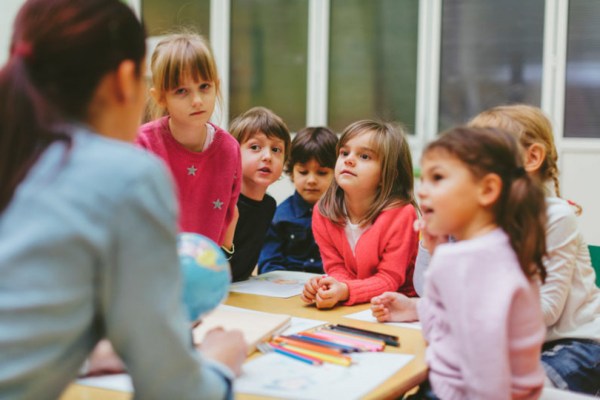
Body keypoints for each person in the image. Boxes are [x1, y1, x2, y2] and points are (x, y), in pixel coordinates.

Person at [0, 1, 246, 398]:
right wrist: (220, 362)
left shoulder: (20, 155)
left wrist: (82, 353)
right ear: (126, 79)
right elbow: (173, 391)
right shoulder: (125, 174)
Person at [374, 104, 600, 395]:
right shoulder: (477, 218)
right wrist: (434, 249)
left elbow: (545, 312)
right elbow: (431, 291)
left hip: (575, 344)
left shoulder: (555, 217)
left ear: (532, 157)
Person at [410, 126, 547, 399]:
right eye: (422, 179)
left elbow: (486, 364)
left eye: (437, 178)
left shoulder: (466, 261)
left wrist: (442, 262)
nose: (422, 191)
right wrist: (436, 254)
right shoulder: (504, 247)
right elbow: (441, 330)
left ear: (487, 189)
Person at [136, 33, 240, 251]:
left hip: (205, 276)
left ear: (216, 86)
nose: (197, 101)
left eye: (204, 86)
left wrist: (224, 259)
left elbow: (230, 214)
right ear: (160, 97)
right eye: (181, 91)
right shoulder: (142, 144)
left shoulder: (230, 149)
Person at [301, 120, 419, 309]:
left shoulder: (402, 214)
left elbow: (390, 279)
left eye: (364, 156)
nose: (348, 160)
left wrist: (345, 289)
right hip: (354, 307)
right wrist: (330, 286)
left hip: (397, 307)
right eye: (344, 153)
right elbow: (336, 268)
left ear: (387, 174)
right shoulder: (323, 212)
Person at [258, 126, 338, 274]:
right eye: (303, 172)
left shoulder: (345, 215)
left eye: (321, 173)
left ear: (336, 174)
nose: (311, 180)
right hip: (286, 290)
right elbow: (268, 264)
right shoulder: (279, 216)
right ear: (292, 172)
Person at [228, 106, 291, 282]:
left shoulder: (269, 205)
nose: (267, 156)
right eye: (255, 147)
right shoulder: (223, 201)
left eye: (276, 150)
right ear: (233, 154)